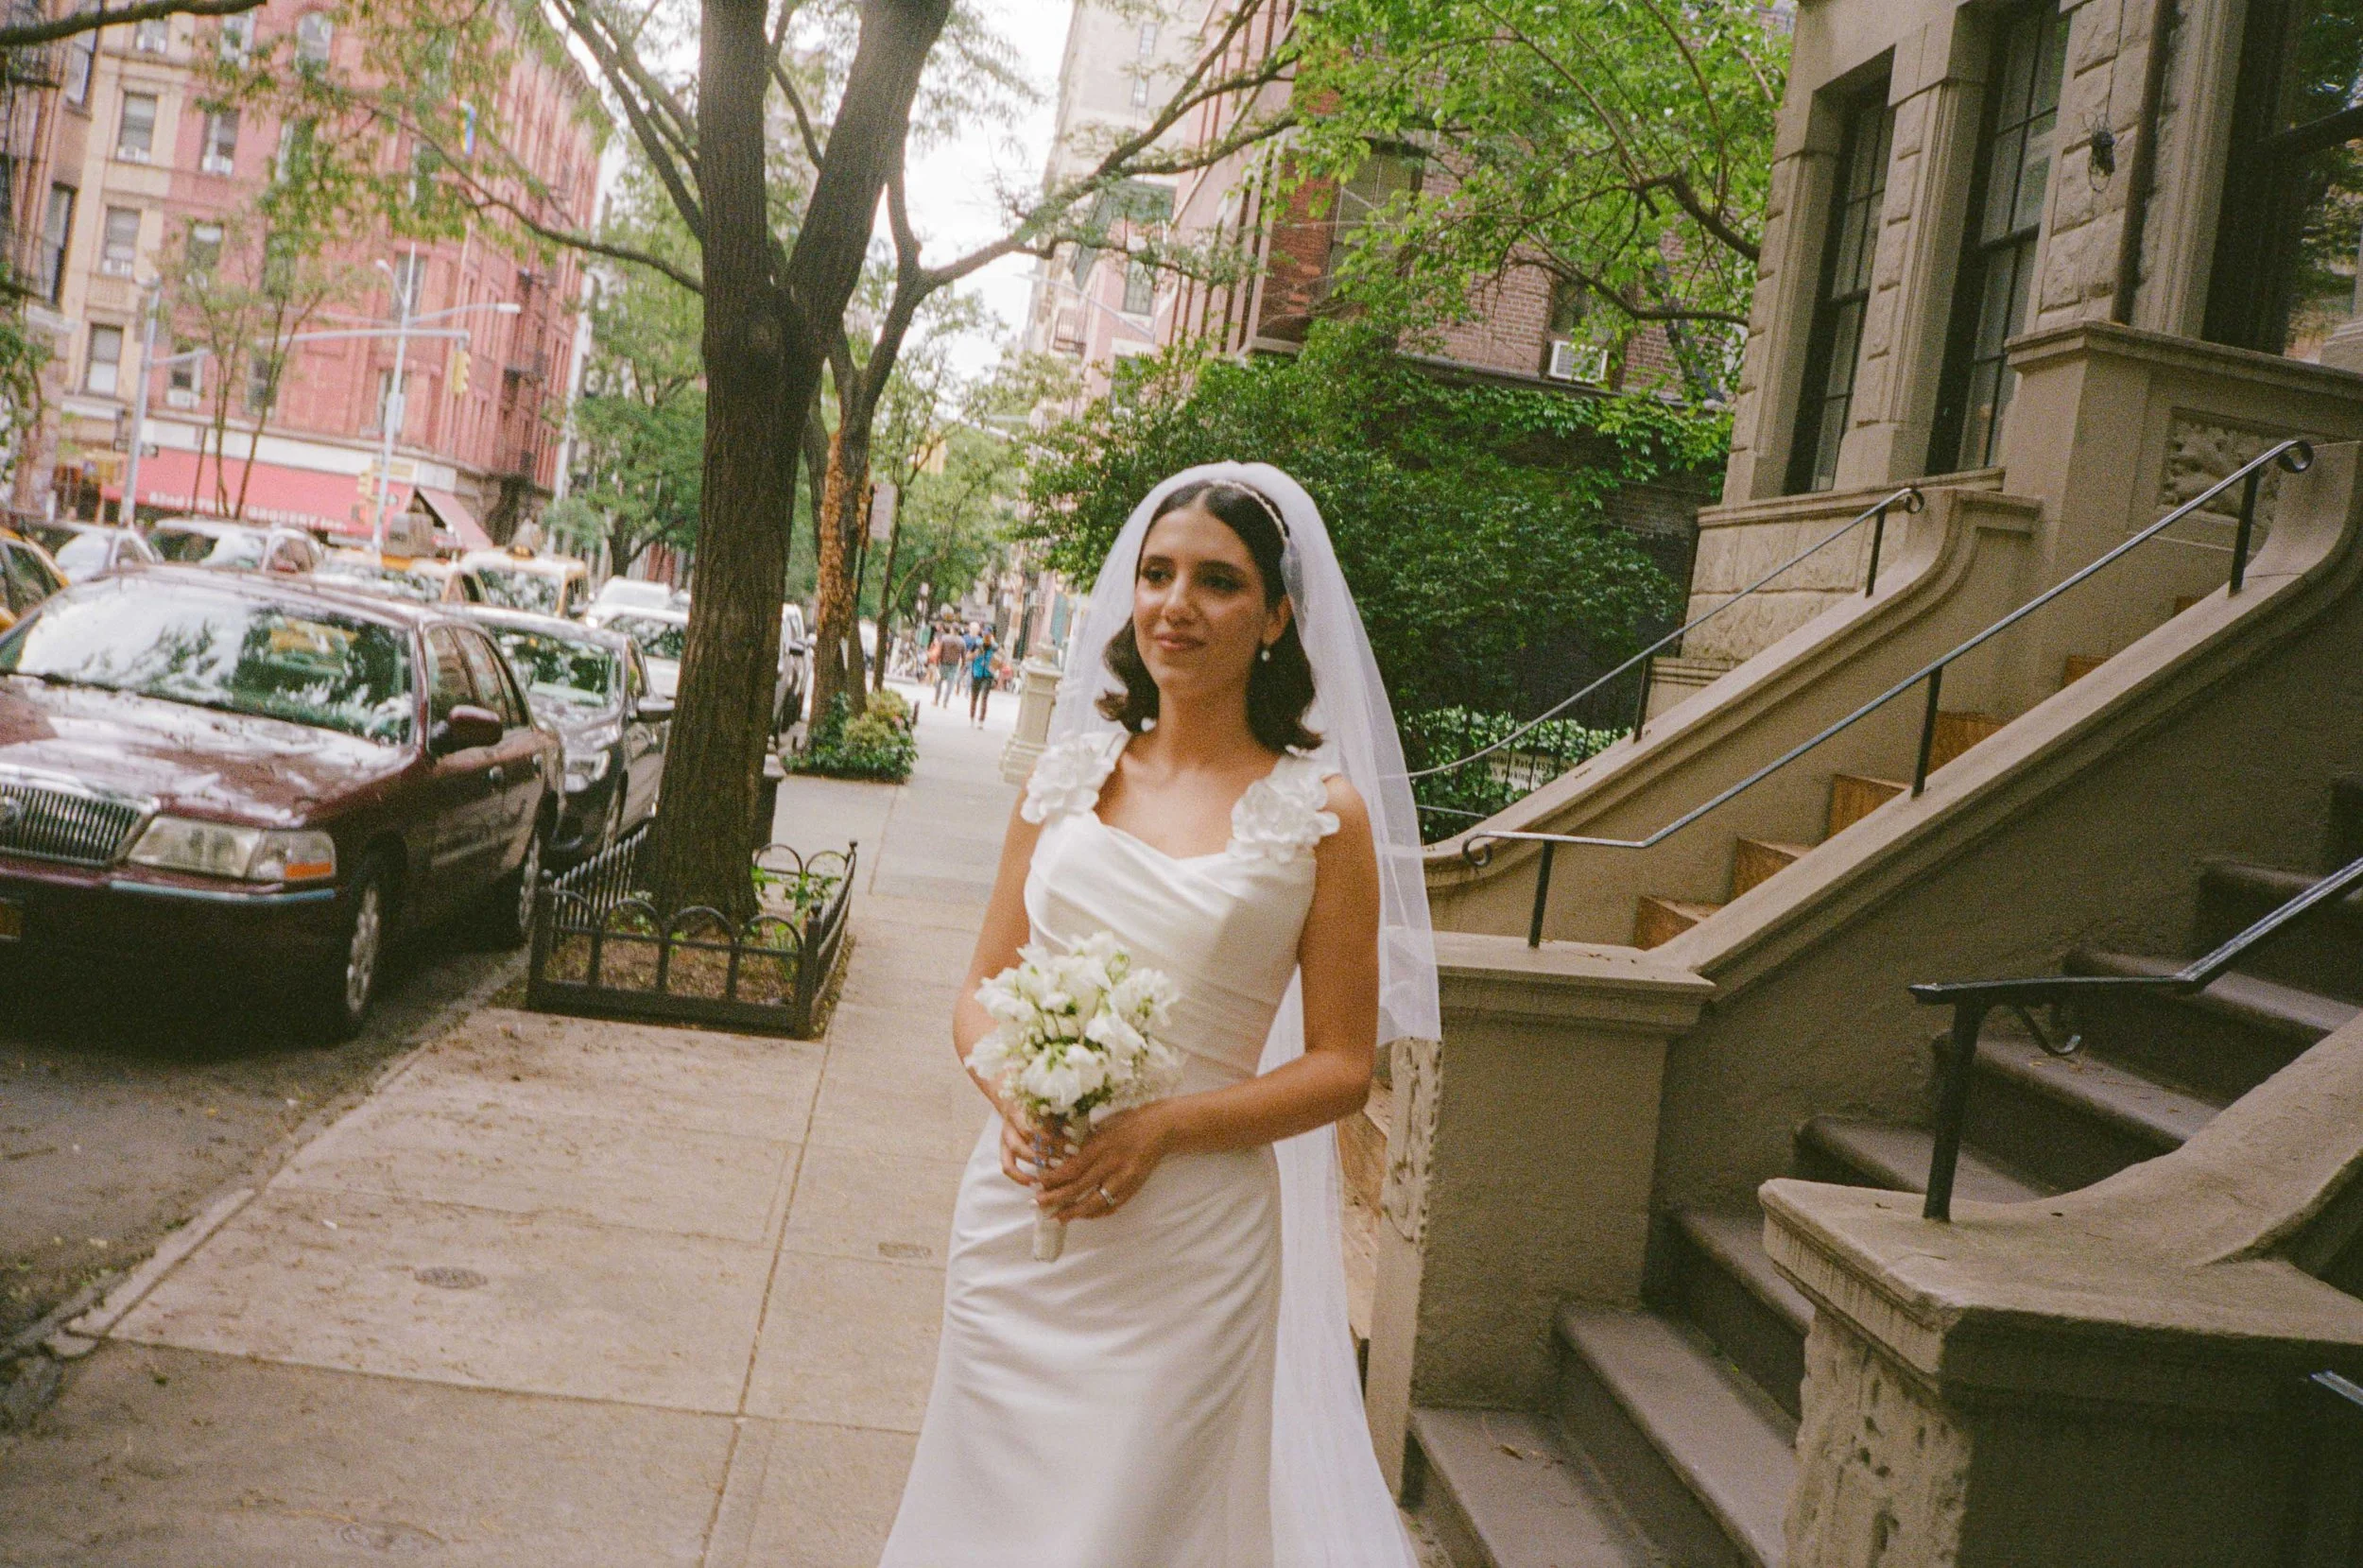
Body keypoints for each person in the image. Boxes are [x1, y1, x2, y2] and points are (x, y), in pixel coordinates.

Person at [881, 465, 1439, 1567]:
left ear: (1277, 617)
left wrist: (1163, 1127)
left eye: (1219, 582)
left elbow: (1339, 1067)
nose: (1177, 604)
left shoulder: (1319, 817)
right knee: (984, 1517)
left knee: (1133, 1533)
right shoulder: (1065, 778)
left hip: (1191, 1242)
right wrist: (1017, 1095)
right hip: (1023, 1213)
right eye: (1158, 573)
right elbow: (979, 989)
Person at [966, 629, 999, 725]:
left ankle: (981, 720)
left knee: (984, 698)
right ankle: (972, 718)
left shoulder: (995, 647)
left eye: (988, 635)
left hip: (988, 675)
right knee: (974, 698)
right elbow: (968, 656)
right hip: (977, 673)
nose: (986, 637)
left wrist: (994, 667)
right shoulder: (977, 644)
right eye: (985, 635)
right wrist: (975, 654)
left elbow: (1000, 661)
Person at [929, 621, 965, 708]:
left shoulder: (945, 638)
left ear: (952, 629)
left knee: (939, 683)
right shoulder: (962, 641)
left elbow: (939, 652)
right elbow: (963, 656)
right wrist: (962, 666)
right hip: (954, 665)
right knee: (950, 685)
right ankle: (945, 702)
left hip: (943, 663)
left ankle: (936, 700)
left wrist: (937, 663)